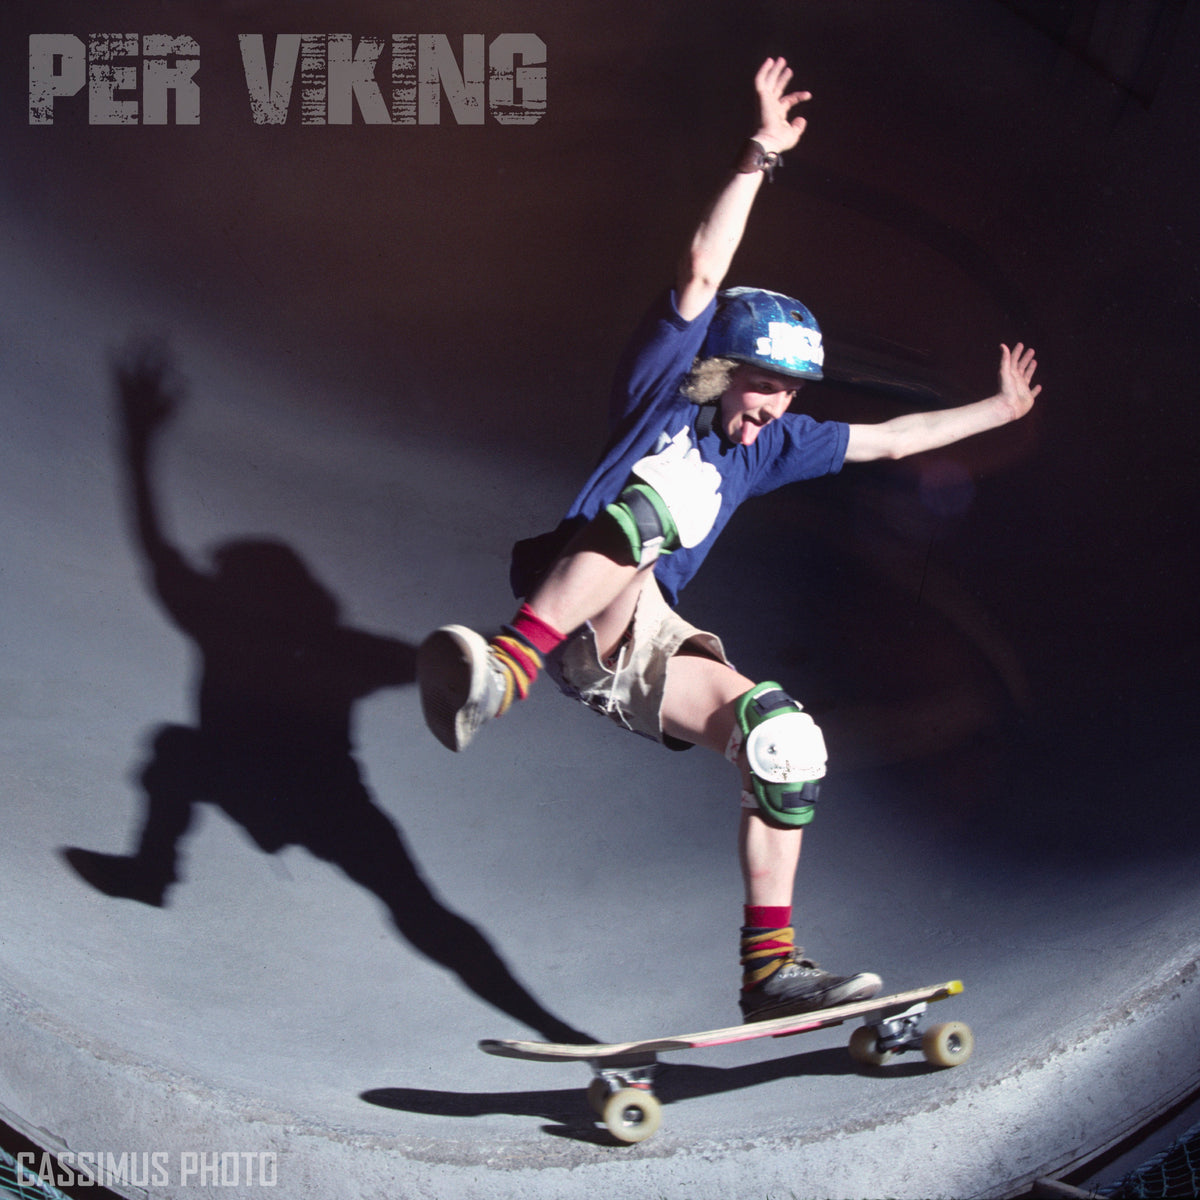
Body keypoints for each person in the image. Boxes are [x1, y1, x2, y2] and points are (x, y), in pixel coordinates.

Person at [417, 57, 1041, 1024]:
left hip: (639, 640)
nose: (768, 417)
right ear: (721, 371)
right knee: (676, 489)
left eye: (786, 399)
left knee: (786, 743)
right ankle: (505, 670)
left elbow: (887, 438)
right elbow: (703, 269)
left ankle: (769, 969)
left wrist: (996, 413)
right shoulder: (665, 383)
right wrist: (759, 156)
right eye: (760, 391)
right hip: (574, 585)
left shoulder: (781, 442)